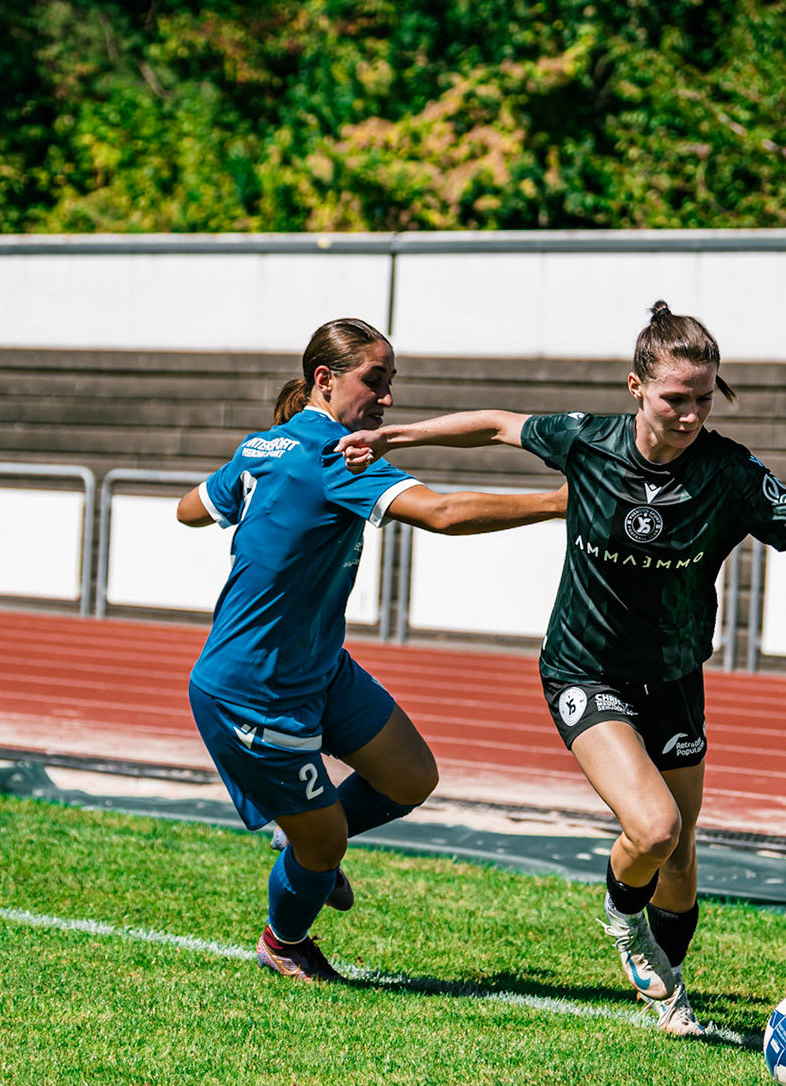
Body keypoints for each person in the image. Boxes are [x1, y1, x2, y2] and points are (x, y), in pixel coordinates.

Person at [338, 301, 786, 1035]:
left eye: (704, 400)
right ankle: (623, 923)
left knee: (680, 860)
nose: (690, 415)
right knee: (653, 829)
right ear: (636, 387)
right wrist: (398, 434)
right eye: (677, 398)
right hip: (585, 670)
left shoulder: (728, 471)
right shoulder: (588, 441)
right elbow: (496, 424)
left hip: (675, 679)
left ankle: (668, 985)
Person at [177, 317, 566, 983]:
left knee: (411, 777)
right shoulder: (332, 457)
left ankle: (300, 837)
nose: (387, 399)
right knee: (324, 845)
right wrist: (561, 501)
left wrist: (250, 483)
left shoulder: (266, 446)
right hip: (252, 686)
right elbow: (441, 514)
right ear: (324, 381)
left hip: (319, 667)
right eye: (375, 382)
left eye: (391, 384)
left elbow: (190, 509)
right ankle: (285, 940)